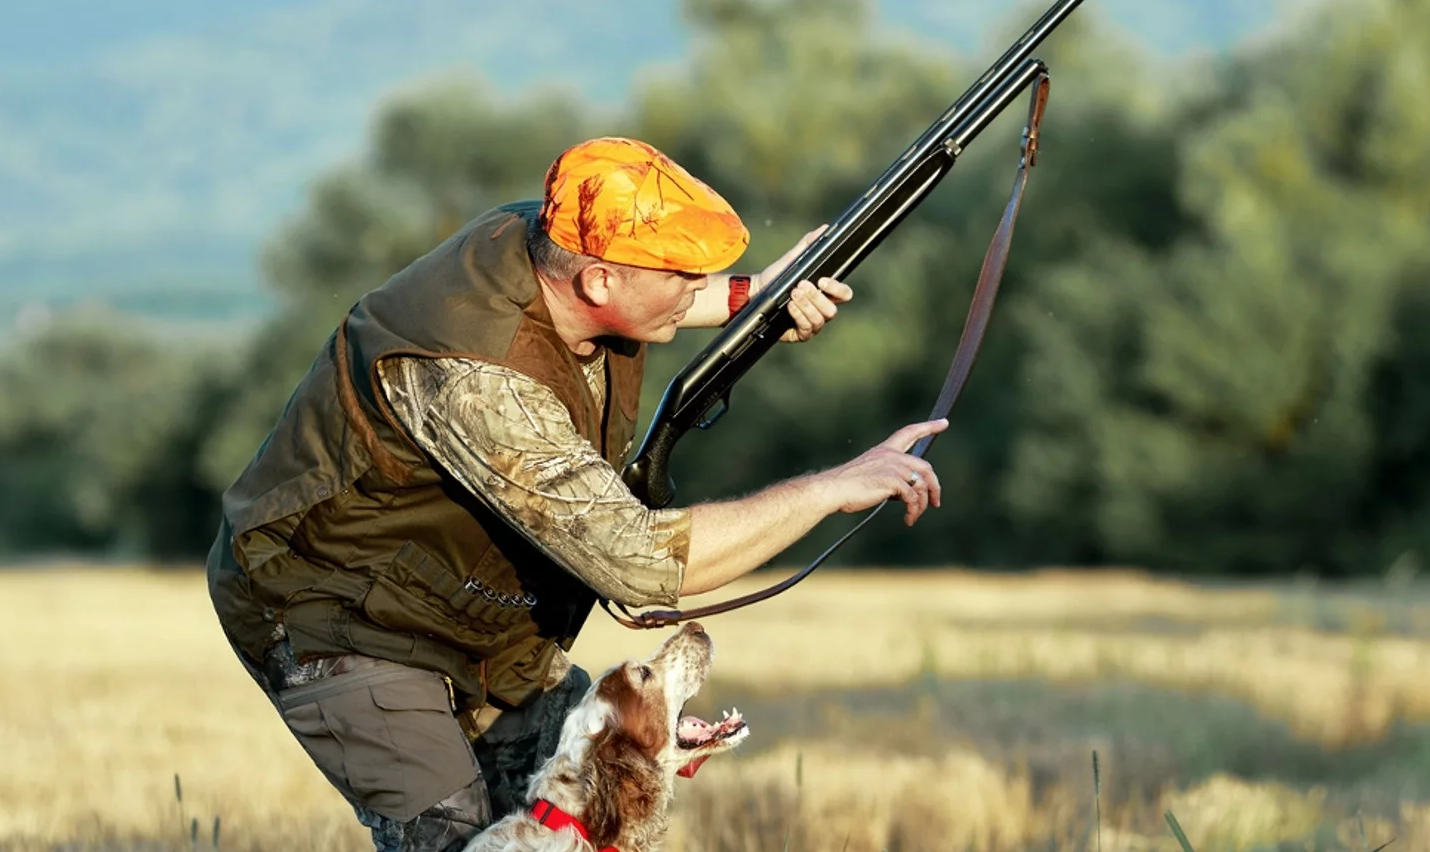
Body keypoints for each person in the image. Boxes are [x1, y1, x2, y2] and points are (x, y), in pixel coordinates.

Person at [205, 136, 947, 852]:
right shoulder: (479, 378)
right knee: (463, 834)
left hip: (468, 618)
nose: (699, 292)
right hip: (335, 619)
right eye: (684, 279)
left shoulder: (555, 236)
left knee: (590, 804)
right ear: (597, 283)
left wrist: (756, 300)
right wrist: (831, 488)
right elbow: (642, 564)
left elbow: (642, 283)